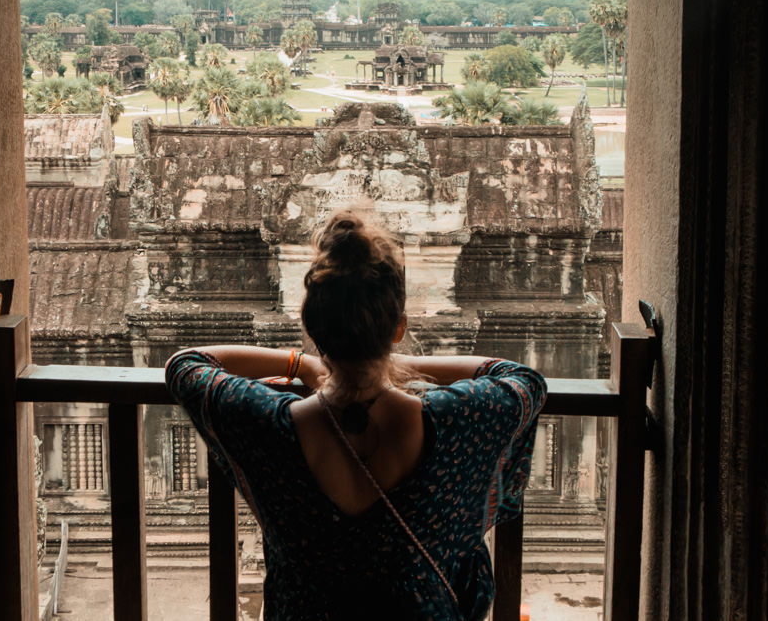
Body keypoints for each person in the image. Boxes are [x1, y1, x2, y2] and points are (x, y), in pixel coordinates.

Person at [165, 210, 546, 620]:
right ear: (397, 328)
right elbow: (522, 379)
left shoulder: (271, 425)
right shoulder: (452, 420)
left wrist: (302, 365)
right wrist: (397, 362)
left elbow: (186, 365)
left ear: (312, 327)